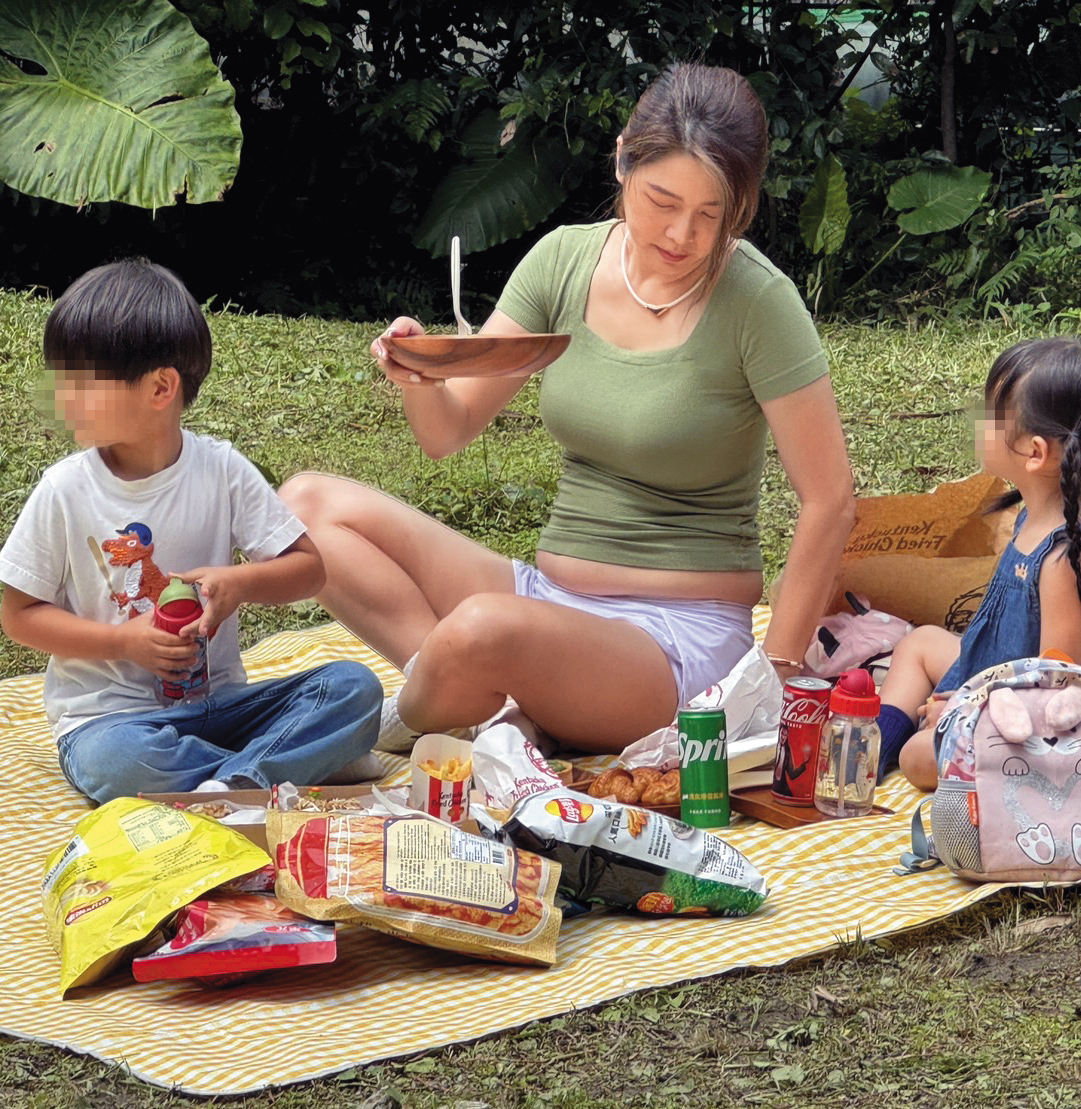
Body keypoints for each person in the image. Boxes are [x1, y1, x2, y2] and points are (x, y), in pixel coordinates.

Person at [280, 62, 856, 754]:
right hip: (543, 596)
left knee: (483, 628)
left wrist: (777, 679)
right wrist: (421, 375)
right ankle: (488, 714)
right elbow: (449, 429)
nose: (681, 235)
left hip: (673, 640)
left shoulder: (758, 302)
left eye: (711, 215)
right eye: (661, 201)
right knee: (304, 507)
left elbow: (829, 499)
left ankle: (429, 712)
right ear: (622, 160)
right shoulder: (563, 261)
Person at [0, 258, 384, 803]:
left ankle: (234, 783)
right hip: (112, 723)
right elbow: (20, 616)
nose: (62, 399)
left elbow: (308, 570)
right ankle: (274, 769)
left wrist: (240, 583)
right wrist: (122, 642)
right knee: (119, 764)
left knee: (353, 689)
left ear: (160, 389)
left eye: (80, 383)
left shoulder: (221, 470)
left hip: (219, 708)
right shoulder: (64, 489)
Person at [877, 337, 1081, 791]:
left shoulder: (1065, 558)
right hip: (994, 675)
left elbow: (1056, 692)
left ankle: (904, 745)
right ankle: (872, 748)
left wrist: (960, 713)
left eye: (991, 414)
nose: (978, 421)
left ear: (1034, 453)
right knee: (920, 643)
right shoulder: (1030, 515)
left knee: (917, 758)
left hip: (1037, 721)